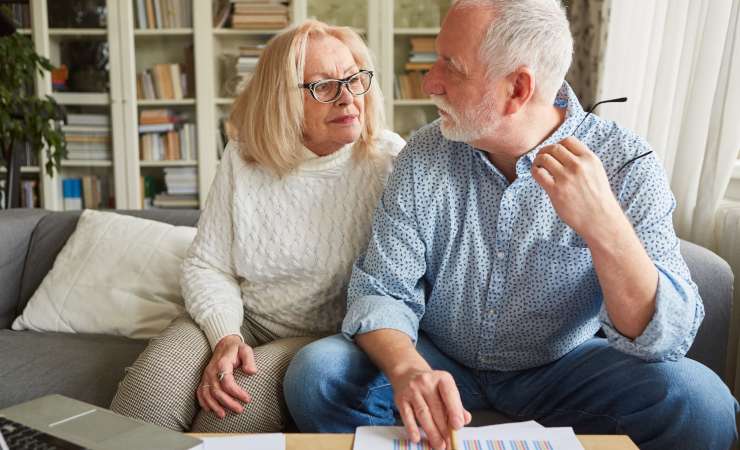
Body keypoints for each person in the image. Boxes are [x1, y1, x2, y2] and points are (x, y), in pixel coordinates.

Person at [282, 1, 739, 449]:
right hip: (441, 360)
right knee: (318, 375)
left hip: (567, 366)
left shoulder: (626, 163)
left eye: (451, 67)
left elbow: (668, 337)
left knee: (702, 405)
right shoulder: (422, 156)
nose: (429, 82)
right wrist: (408, 369)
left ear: (518, 88)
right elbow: (381, 290)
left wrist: (604, 227)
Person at [109, 19, 405, 433]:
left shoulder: (389, 161)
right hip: (244, 318)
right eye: (323, 86)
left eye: (355, 79)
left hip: (322, 338)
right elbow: (208, 265)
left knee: (225, 415)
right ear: (283, 99)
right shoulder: (244, 155)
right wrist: (225, 337)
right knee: (146, 398)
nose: (348, 98)